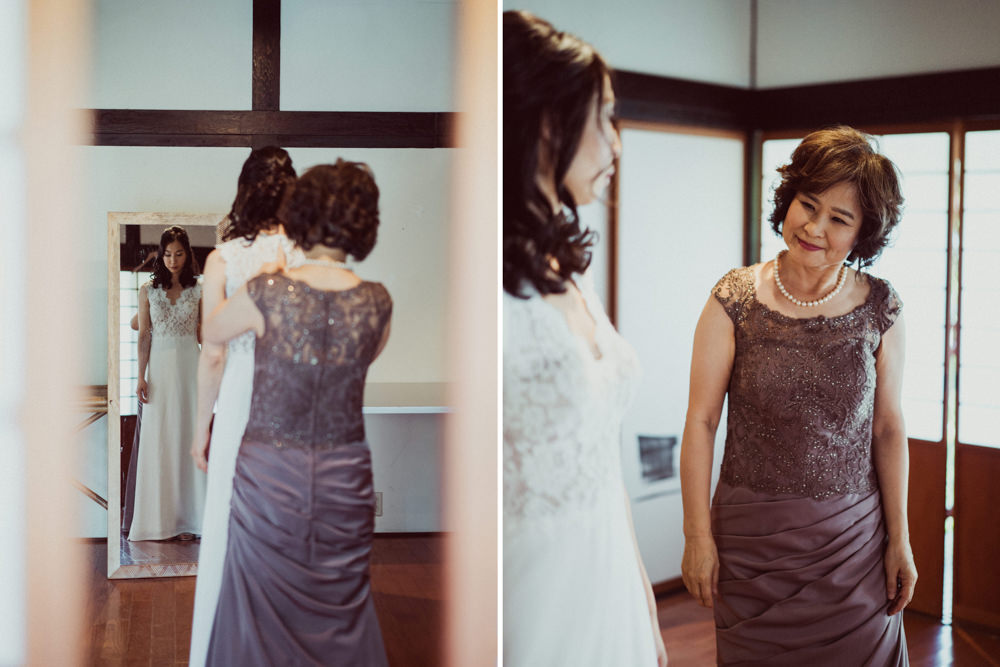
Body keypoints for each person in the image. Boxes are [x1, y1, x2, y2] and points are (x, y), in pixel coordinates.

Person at [680, 126, 916, 665]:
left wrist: (899, 539)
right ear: (788, 199)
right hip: (751, 543)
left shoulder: (881, 308)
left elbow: (888, 428)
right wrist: (696, 535)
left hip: (852, 544)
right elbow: (700, 421)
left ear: (864, 235)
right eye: (808, 205)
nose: (814, 227)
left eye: (840, 219)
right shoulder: (733, 297)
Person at [503, 11, 667, 666]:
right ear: (548, 122)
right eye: (604, 117)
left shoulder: (568, 264)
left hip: (607, 575)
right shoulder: (493, 275)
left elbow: (599, 462)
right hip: (533, 589)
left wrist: (644, 604)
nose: (616, 143)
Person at [202, 160, 392, 665]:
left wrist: (266, 279)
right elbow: (355, 363)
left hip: (271, 470)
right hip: (345, 472)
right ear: (362, 225)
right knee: (341, 605)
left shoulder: (268, 292)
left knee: (256, 601)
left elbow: (214, 334)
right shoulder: (377, 303)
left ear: (301, 215)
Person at [187, 146, 301, 667]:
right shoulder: (305, 257)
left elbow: (212, 353)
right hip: (294, 403)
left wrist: (199, 428)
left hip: (239, 401)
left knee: (231, 519)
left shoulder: (223, 260)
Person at [128, 226, 207, 541]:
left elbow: (203, 336)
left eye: (179, 253)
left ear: (188, 255)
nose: (173, 260)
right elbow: (144, 334)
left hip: (191, 369)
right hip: (159, 370)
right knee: (161, 440)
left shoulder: (199, 289)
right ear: (160, 256)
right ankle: (159, 521)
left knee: (188, 438)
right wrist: (140, 376)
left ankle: (191, 519)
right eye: (168, 254)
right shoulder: (148, 290)